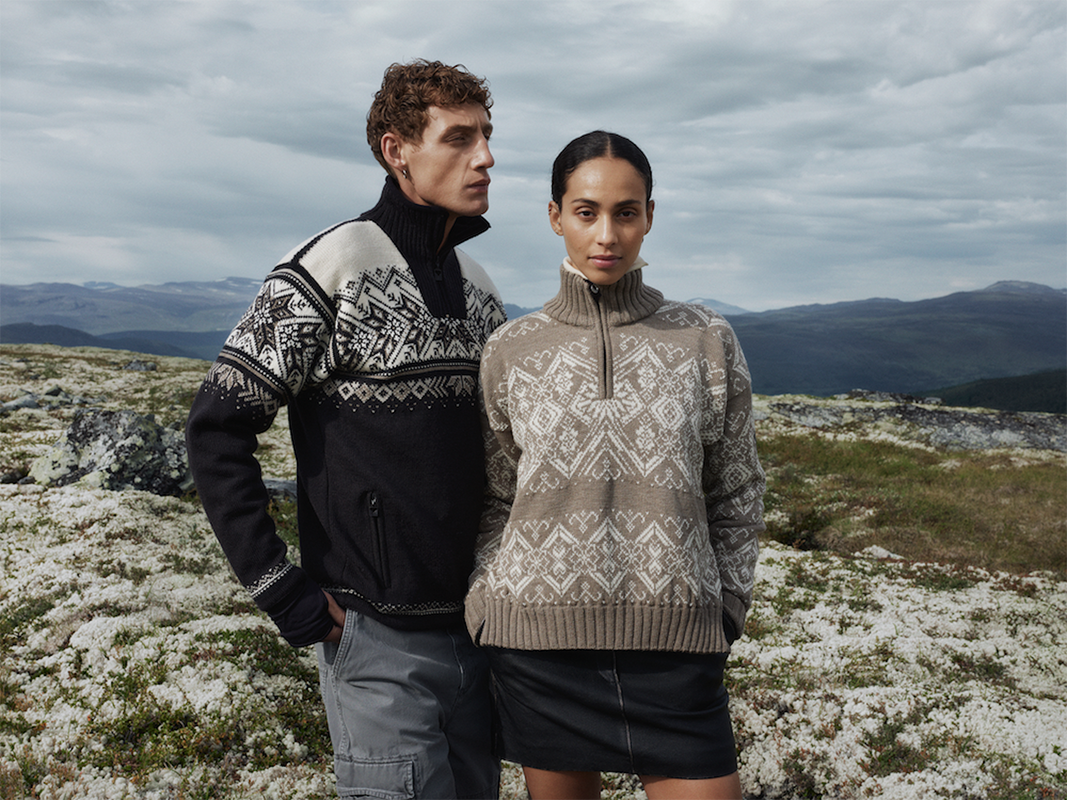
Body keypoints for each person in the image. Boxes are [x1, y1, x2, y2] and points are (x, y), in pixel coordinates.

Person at [186, 59, 505, 800]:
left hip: (479, 637)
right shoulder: (328, 268)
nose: (485, 157)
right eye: (459, 138)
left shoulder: (482, 289)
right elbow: (216, 427)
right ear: (398, 151)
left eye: (487, 136)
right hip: (374, 643)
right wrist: (280, 589)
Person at [465, 131, 765, 800]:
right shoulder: (509, 349)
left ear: (649, 217)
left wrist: (728, 607)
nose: (607, 234)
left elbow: (738, 489)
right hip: (538, 650)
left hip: (677, 652)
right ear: (555, 217)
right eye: (586, 212)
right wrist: (486, 601)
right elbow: (495, 496)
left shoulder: (705, 338)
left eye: (625, 213)